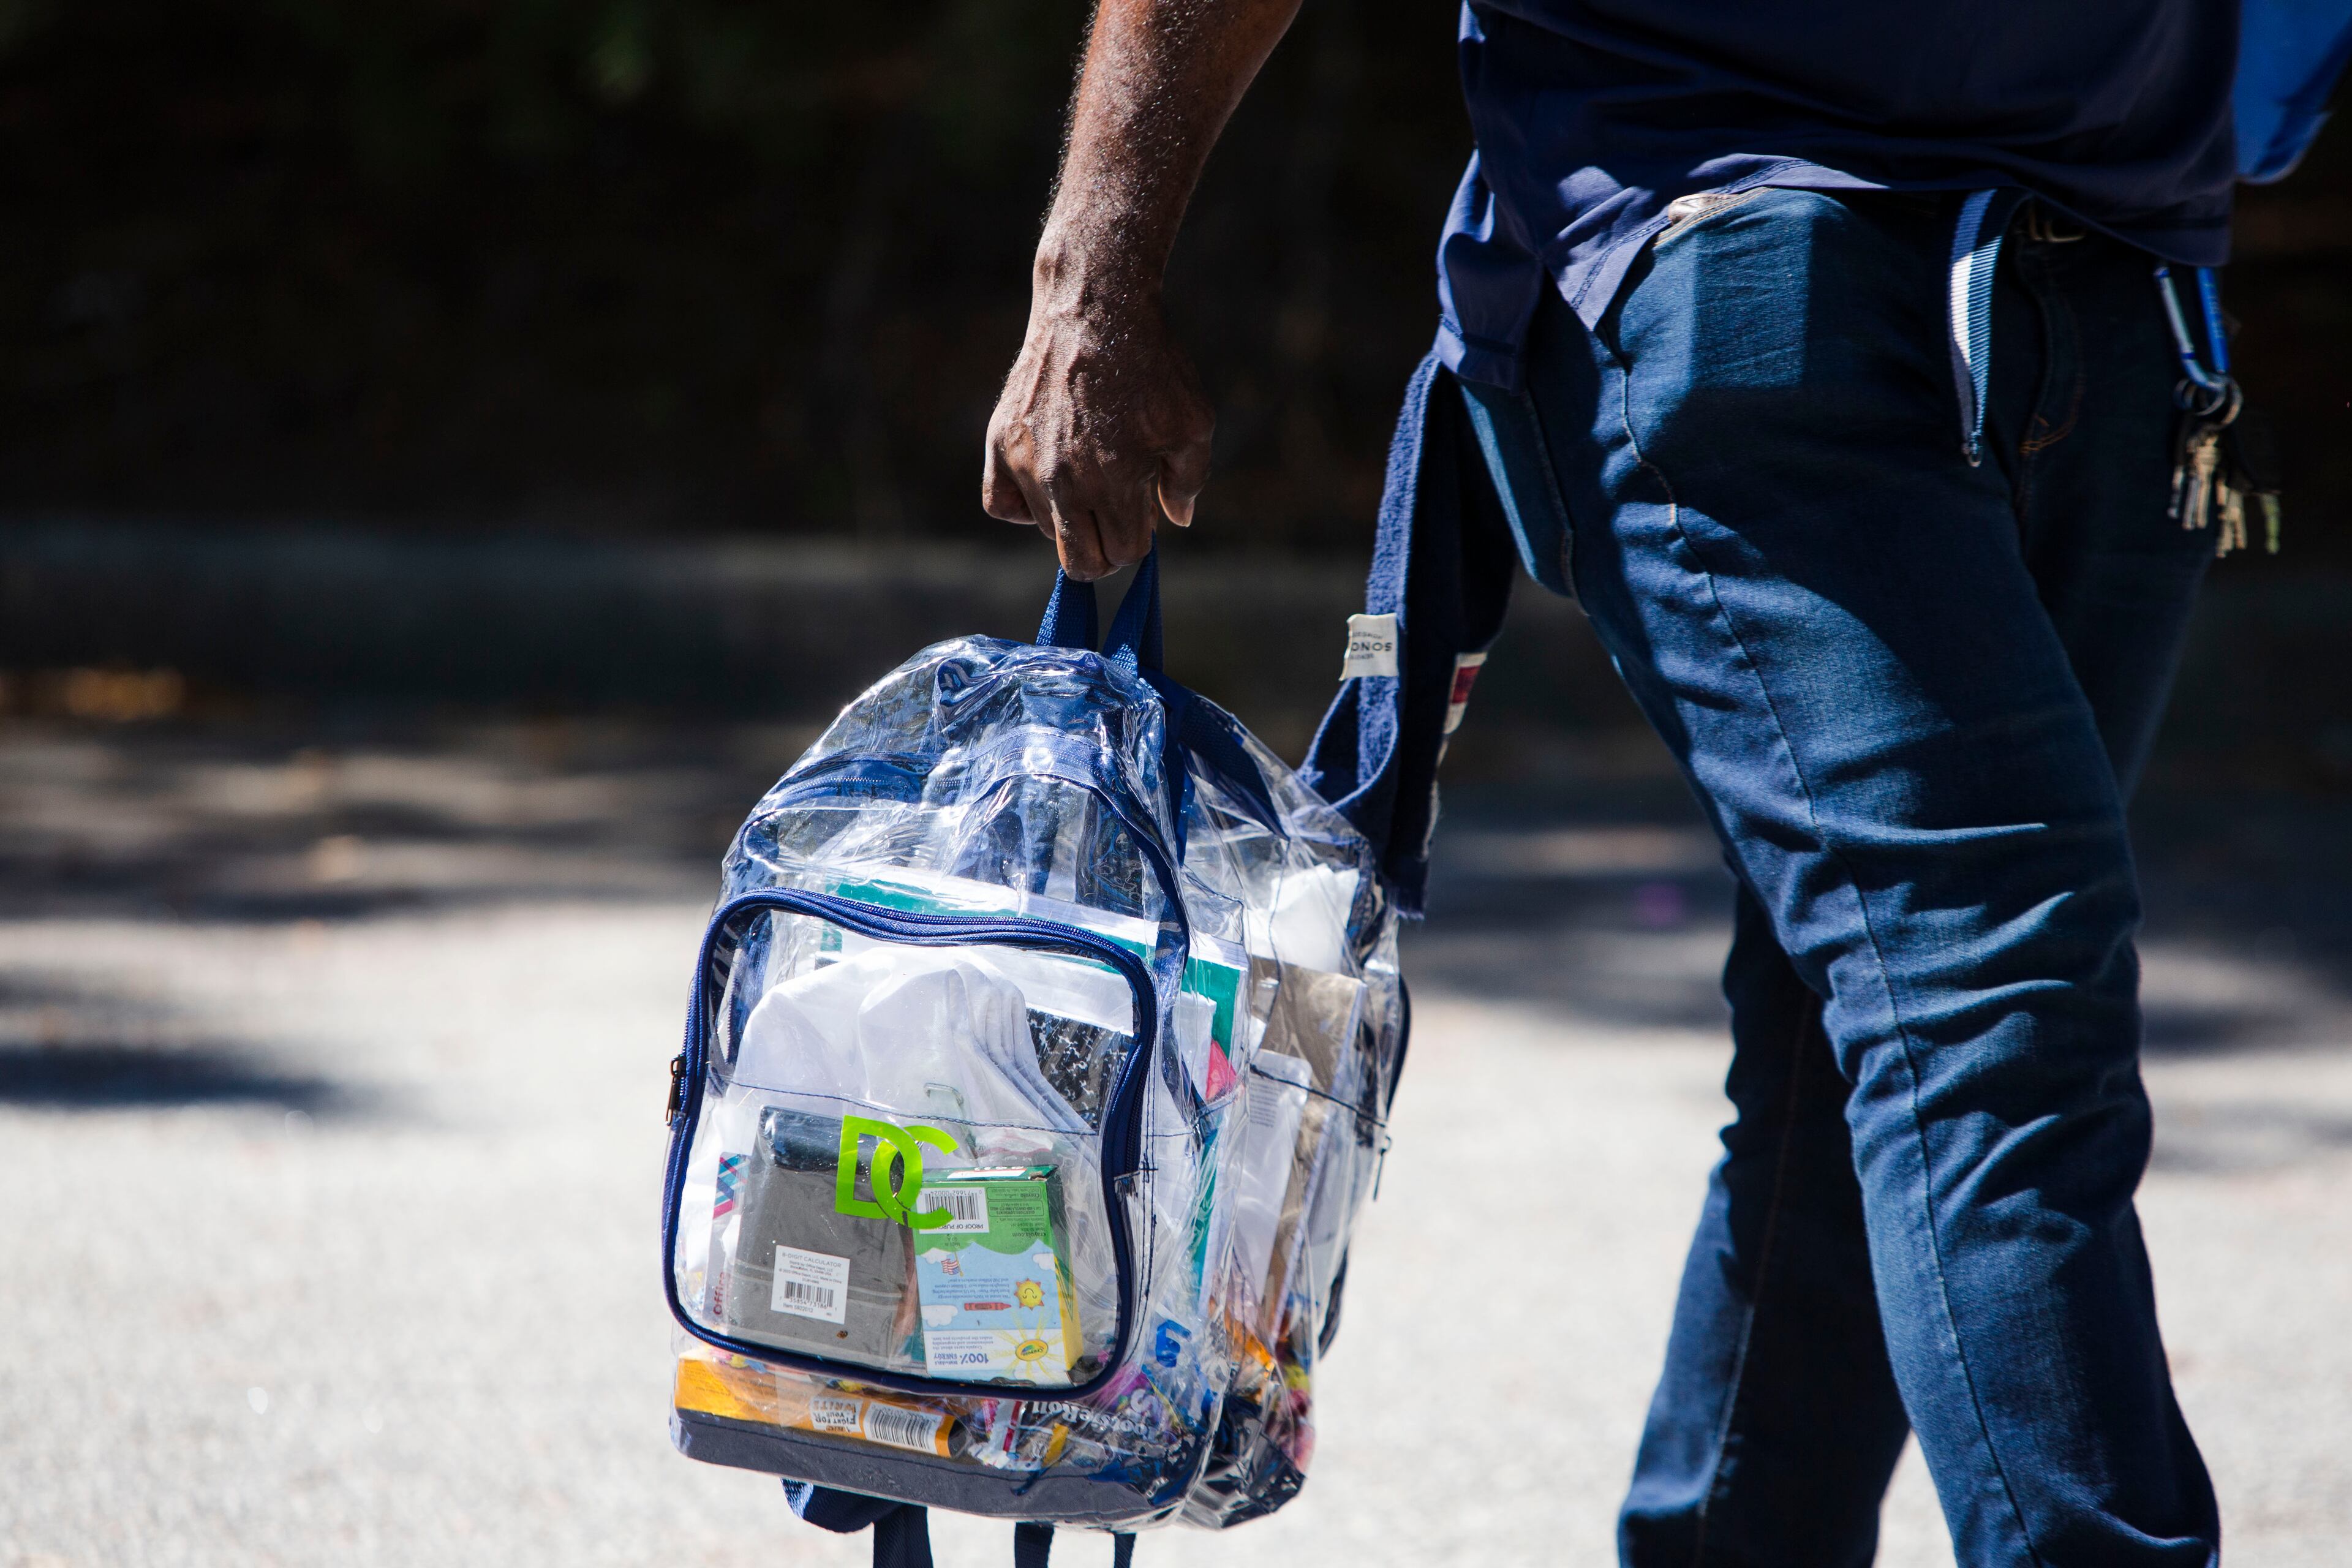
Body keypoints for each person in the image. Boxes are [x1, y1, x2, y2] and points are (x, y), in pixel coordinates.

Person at [978, 4, 2292, 1564]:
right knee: (1993, 1007)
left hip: (2120, 275)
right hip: (1738, 249)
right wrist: (1090, 274)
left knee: (1859, 1043)